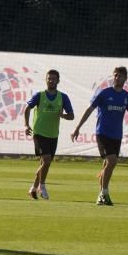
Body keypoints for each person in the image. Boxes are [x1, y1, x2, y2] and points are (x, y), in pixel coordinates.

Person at [71, 66, 128, 205]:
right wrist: (77, 127)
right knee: (112, 161)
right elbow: (90, 109)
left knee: (109, 164)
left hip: (116, 135)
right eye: (115, 75)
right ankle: (104, 193)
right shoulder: (104, 93)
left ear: (125, 78)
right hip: (103, 133)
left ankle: (101, 195)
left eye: (120, 76)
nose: (117, 78)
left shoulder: (127, 97)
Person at [23, 69, 74, 200]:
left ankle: (33, 188)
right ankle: (42, 185)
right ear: (46, 80)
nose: (51, 81)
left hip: (53, 134)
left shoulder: (63, 97)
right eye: (49, 78)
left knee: (46, 163)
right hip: (39, 132)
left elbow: (71, 116)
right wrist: (26, 125)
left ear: (58, 81)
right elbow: (27, 108)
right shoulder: (39, 95)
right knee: (46, 161)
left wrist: (62, 115)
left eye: (53, 79)